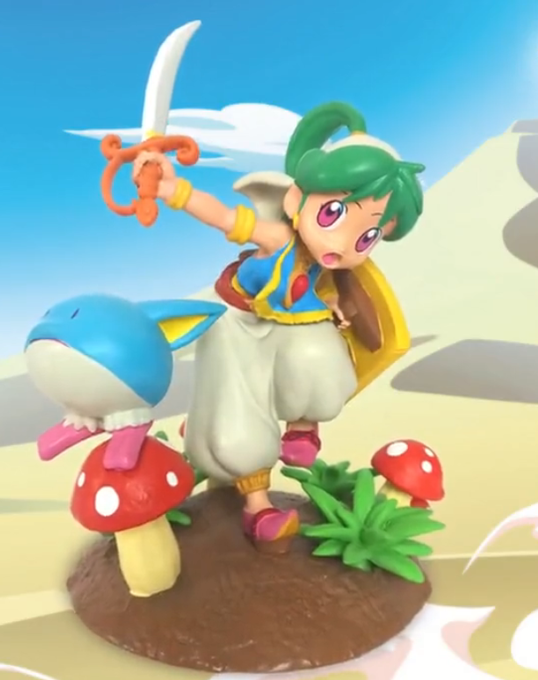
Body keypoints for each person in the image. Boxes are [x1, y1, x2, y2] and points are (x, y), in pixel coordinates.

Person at [132, 101, 425, 550]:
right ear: (294, 200)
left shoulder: (328, 265)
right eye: (332, 215)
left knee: (323, 359)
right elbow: (223, 217)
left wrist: (333, 302)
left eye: (367, 237)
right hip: (239, 324)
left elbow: (315, 292)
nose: (343, 244)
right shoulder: (278, 237)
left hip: (285, 329)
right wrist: (172, 189)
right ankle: (259, 507)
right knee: (240, 422)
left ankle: (302, 426)